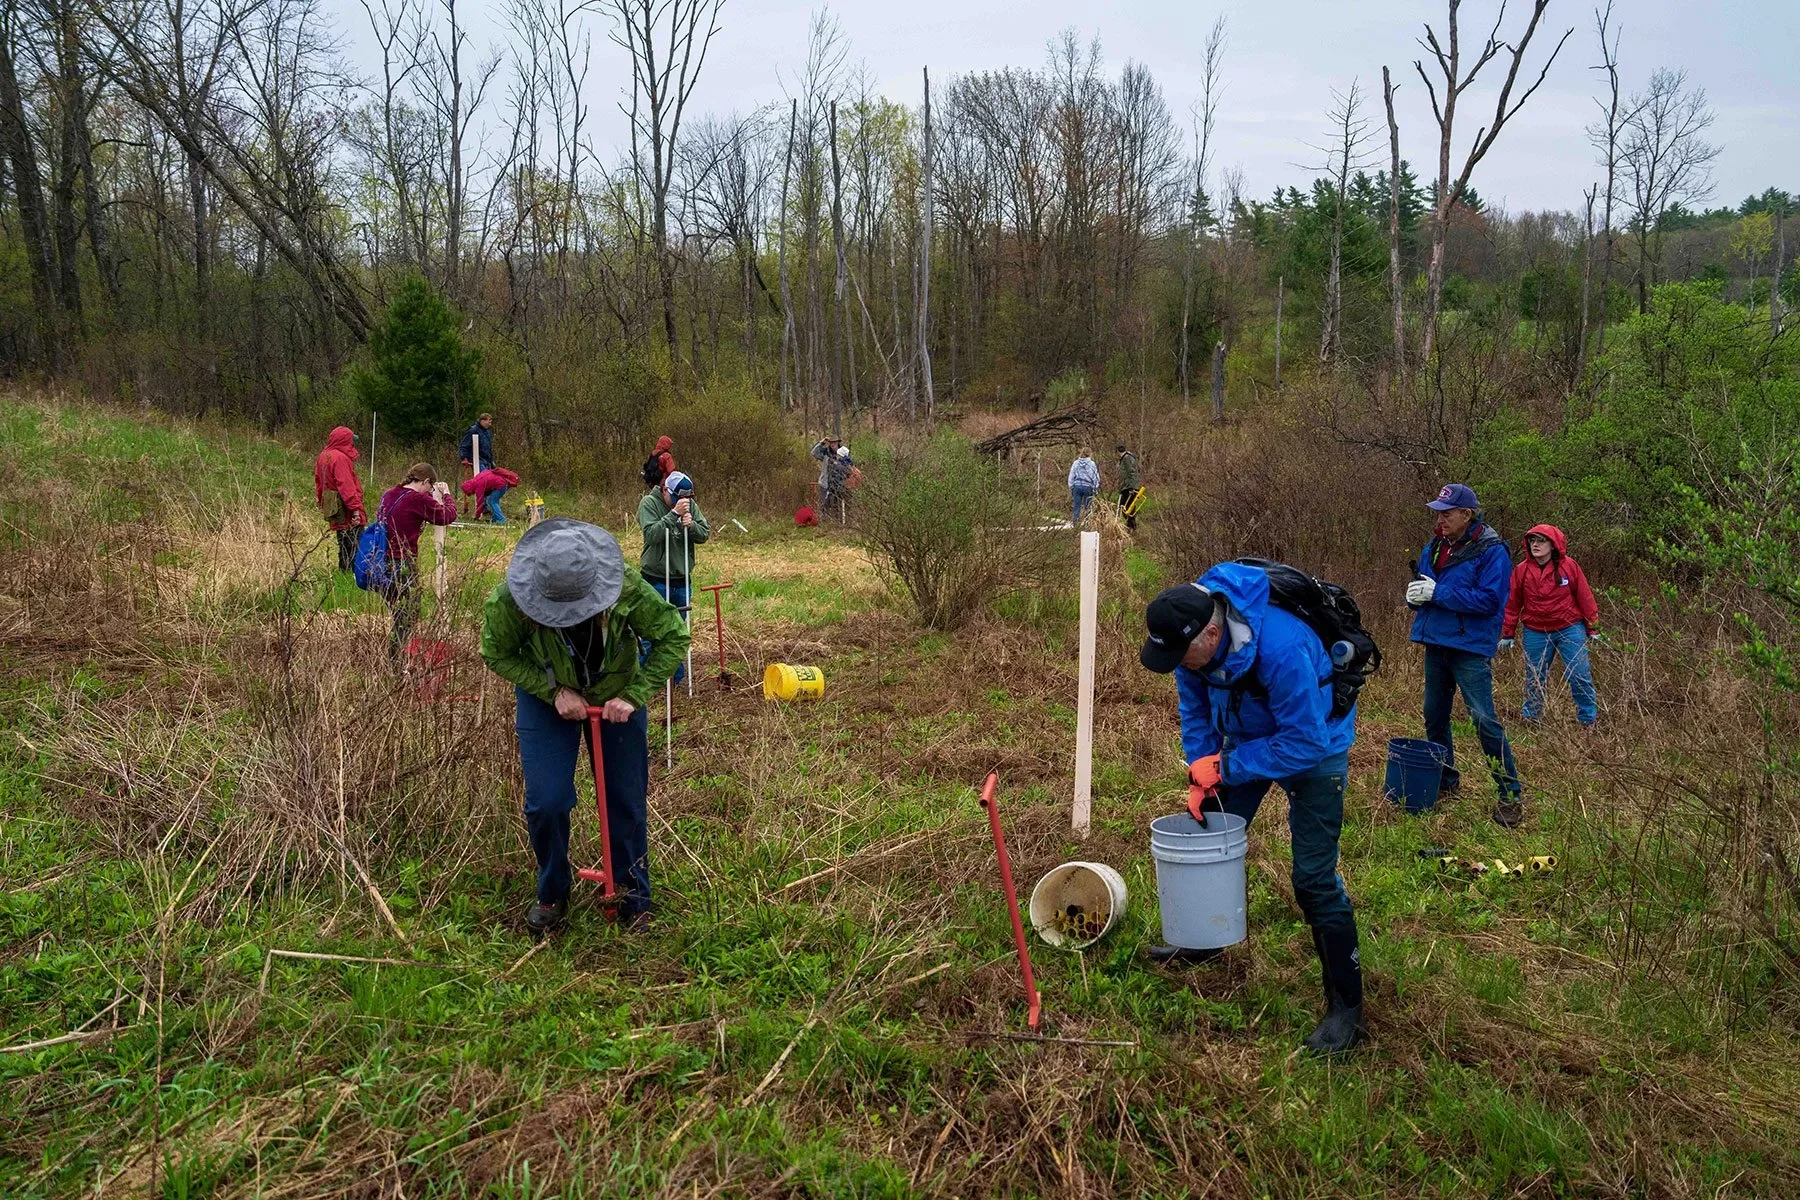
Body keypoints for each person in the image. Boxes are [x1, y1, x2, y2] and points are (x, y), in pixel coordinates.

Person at [1139, 566, 1365, 1055]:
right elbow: (1195, 707)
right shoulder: (1189, 643)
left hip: (1315, 750)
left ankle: (1347, 1009)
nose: (1180, 663)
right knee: (1206, 831)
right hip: (1245, 741)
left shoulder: (1282, 650)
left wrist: (1229, 766)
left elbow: (1304, 742)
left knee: (1313, 880)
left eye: (1184, 654)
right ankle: (1202, 939)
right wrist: (1201, 767)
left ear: (1214, 633)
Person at [480, 519, 690, 933]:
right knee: (547, 802)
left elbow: (673, 638)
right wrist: (551, 690)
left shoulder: (626, 586)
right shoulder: (509, 599)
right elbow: (495, 652)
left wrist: (634, 693)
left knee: (624, 800)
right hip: (549, 699)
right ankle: (553, 891)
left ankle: (631, 894)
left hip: (617, 696)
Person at [1407, 484, 1524, 827]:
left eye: (1446, 513)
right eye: (1438, 512)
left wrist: (1437, 592)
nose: (1440, 519)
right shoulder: (1435, 546)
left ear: (1466, 514)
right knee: (1434, 716)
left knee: (1484, 720)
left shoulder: (1492, 551)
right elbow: (1427, 588)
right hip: (1436, 642)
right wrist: (1414, 597)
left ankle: (1510, 795)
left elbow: (1490, 601)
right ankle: (1446, 782)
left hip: (1469, 648)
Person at [1502, 524, 1601, 727]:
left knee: (1579, 674)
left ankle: (1588, 720)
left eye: (1541, 541)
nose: (1535, 545)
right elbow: (1512, 603)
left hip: (1569, 627)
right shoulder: (1522, 571)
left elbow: (1585, 597)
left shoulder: (1569, 566)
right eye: (1532, 541)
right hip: (1536, 630)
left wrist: (1593, 628)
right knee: (1534, 677)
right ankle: (1532, 719)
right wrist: (1507, 633)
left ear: (1553, 545)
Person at [375, 463, 457, 663]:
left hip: (380, 562)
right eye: (431, 486)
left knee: (398, 612)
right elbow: (447, 515)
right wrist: (446, 495)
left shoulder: (390, 494)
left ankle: (395, 658)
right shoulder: (417, 500)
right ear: (426, 482)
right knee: (408, 614)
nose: (431, 491)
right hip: (402, 563)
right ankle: (396, 662)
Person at [637, 470, 709, 685]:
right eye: (678, 498)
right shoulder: (649, 503)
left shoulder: (689, 505)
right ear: (666, 490)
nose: (682, 502)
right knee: (652, 631)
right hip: (656, 578)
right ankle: (643, 680)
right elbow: (651, 534)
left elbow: (704, 533)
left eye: (686, 499)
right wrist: (673, 515)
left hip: (681, 579)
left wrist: (692, 525)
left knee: (677, 633)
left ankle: (675, 680)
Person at [314, 426, 366, 573]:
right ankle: (354, 574)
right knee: (354, 542)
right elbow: (346, 486)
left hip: (333, 504)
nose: (352, 444)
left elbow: (318, 482)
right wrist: (356, 509)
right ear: (344, 440)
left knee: (343, 540)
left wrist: (321, 502)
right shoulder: (341, 458)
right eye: (350, 440)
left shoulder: (323, 456)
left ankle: (344, 572)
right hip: (346, 506)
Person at [1068, 448, 1100, 527]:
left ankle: (1075, 523)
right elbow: (1095, 476)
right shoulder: (1091, 464)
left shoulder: (1076, 463)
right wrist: (1096, 487)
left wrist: (1071, 486)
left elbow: (1071, 475)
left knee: (1076, 506)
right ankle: (1087, 523)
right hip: (1088, 486)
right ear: (1090, 454)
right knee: (1087, 506)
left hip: (1077, 485)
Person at [1116, 442, 1141, 531]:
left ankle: (1131, 526)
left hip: (1129, 487)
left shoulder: (1126, 459)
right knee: (1128, 507)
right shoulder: (1127, 458)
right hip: (1127, 486)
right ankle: (1131, 526)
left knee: (1126, 507)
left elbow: (1131, 473)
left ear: (1117, 451)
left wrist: (1131, 487)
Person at [810, 437, 841, 507]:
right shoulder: (825, 453)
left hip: (838, 484)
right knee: (824, 504)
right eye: (831, 442)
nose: (832, 444)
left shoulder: (842, 454)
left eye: (834, 442)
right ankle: (824, 517)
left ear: (838, 443)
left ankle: (836, 518)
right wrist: (822, 442)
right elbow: (814, 453)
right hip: (825, 483)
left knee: (837, 506)